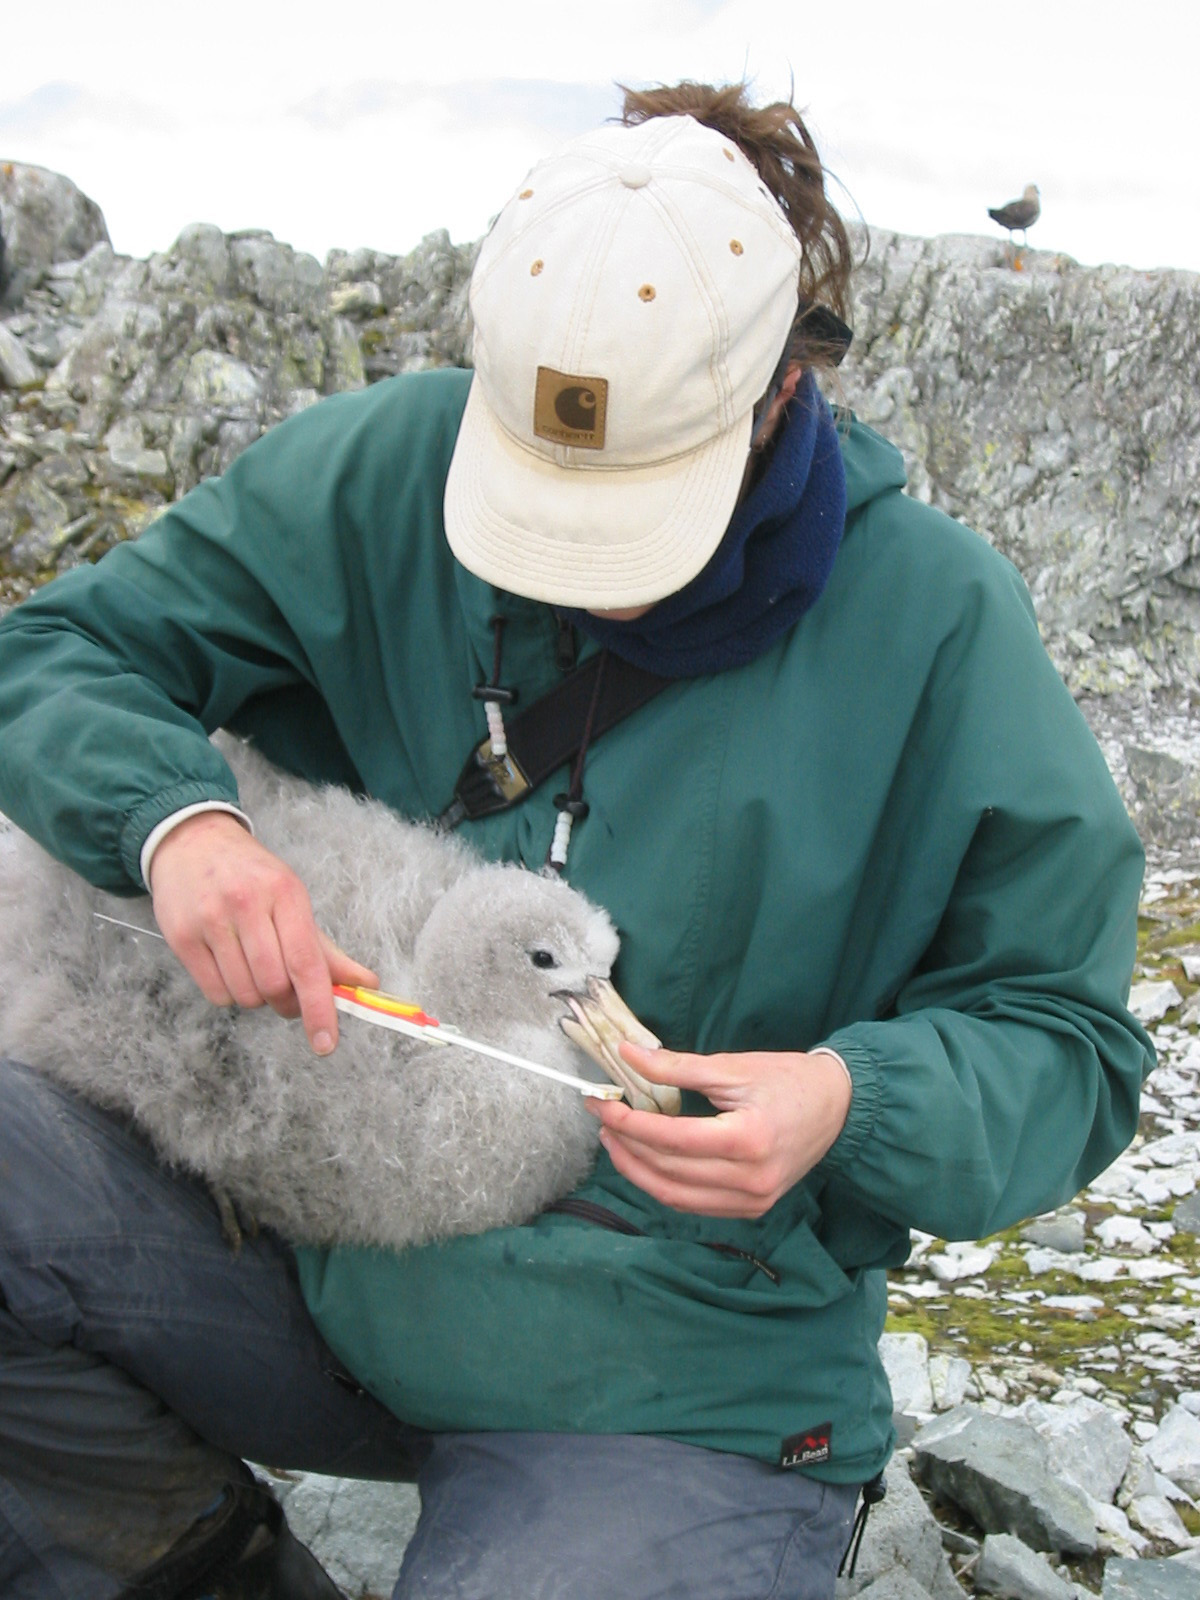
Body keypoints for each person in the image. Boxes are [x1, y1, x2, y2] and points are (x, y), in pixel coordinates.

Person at [0, 81, 1154, 1600]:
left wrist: (843, 1101)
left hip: (672, 1384)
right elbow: (57, 657)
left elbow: (1068, 1043)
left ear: (780, 389)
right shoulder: (386, 471)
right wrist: (178, 826)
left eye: (637, 506)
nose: (591, 571)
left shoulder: (940, 627)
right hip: (316, 1265)